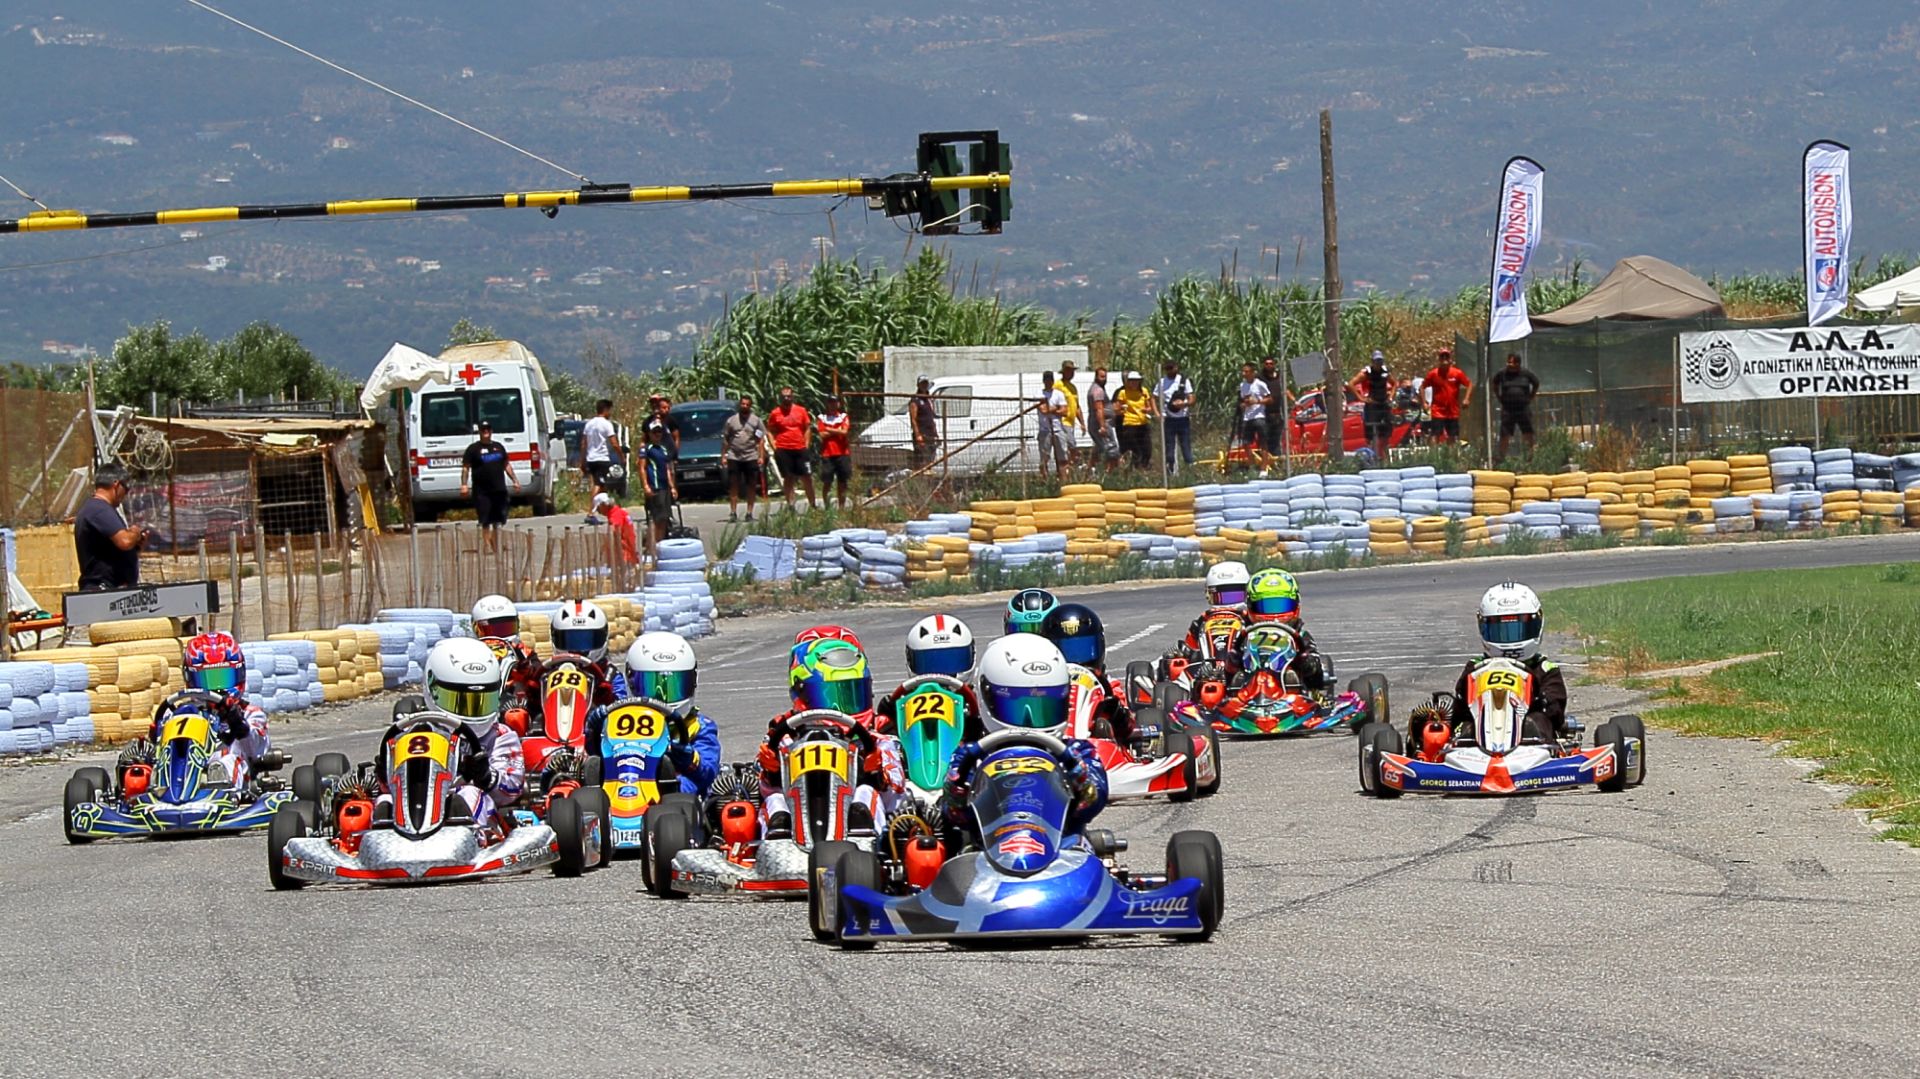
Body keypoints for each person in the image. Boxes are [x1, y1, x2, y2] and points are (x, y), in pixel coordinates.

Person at [937, 635, 1108, 852]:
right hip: (987, 853)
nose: (1029, 722)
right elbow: (954, 813)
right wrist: (958, 789)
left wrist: (1076, 774)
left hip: (1063, 851)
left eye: (1045, 706)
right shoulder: (972, 757)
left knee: (1084, 854)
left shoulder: (1076, 752)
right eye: (1017, 707)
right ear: (986, 697)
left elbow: (1093, 800)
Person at [758, 637, 904, 836]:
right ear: (801, 695)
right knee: (775, 801)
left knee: (866, 794)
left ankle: (864, 836)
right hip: (797, 824)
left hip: (853, 832)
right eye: (829, 697)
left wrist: (876, 776)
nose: (840, 709)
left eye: (852, 694)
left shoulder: (879, 742)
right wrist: (771, 773)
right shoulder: (784, 740)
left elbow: (897, 798)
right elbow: (762, 790)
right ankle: (776, 841)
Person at [384, 637, 525, 829]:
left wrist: (486, 776)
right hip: (417, 810)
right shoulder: (413, 733)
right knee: (384, 801)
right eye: (459, 701)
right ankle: (378, 839)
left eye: (482, 701)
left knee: (469, 795)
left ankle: (472, 836)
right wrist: (384, 774)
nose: (472, 711)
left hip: (478, 819)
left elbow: (512, 790)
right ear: (434, 689)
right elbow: (394, 788)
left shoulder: (500, 736)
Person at [585, 632, 723, 798]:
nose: (662, 697)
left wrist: (692, 760)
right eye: (651, 685)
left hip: (677, 799)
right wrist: (594, 731)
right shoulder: (620, 721)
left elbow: (708, 773)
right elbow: (597, 756)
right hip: (621, 789)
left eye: (672, 687)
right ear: (631, 681)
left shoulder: (699, 727)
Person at [1441, 581, 1568, 750]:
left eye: (1519, 629)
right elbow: (1459, 713)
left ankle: (1535, 753)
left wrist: (1537, 698)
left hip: (1530, 743)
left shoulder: (1545, 669)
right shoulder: (1475, 668)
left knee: (1536, 722)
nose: (1510, 639)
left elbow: (1555, 714)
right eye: (1500, 631)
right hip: (1477, 739)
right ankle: (1463, 755)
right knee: (1463, 728)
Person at [163, 631, 272, 790]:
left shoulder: (251, 713)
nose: (217, 688)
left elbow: (256, 751)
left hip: (236, 774)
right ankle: (160, 788)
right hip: (185, 770)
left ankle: (222, 785)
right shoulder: (179, 714)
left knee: (226, 759)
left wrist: (239, 724)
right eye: (207, 680)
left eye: (223, 678)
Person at [873, 614, 990, 740]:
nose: (941, 674)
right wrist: (892, 718)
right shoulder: (903, 705)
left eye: (951, 661)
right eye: (931, 662)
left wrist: (976, 723)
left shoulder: (983, 704)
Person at [1244, 568, 1330, 690]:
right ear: (1250, 605)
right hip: (1249, 689)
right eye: (1266, 606)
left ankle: (1291, 683)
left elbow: (1317, 676)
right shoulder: (1244, 636)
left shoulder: (1301, 635)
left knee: (1311, 671)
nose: (1274, 613)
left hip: (1292, 694)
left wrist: (1306, 662)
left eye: (1281, 605)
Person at [74, 465, 146, 591]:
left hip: (109, 590)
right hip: (103, 590)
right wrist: (135, 532)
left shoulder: (97, 509)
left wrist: (136, 545)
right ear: (116, 485)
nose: (126, 494)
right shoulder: (99, 509)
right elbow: (125, 541)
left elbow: (109, 550)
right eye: (126, 488)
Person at [460, 420, 518, 551]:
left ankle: (495, 541)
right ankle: (487, 544)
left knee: (499, 518)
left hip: (499, 489)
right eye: (483, 429)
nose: (486, 432)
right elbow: (465, 468)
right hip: (482, 491)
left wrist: (515, 480)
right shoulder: (473, 449)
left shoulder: (499, 447)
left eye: (488, 429)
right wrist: (464, 484)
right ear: (480, 432)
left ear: (491, 431)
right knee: (485, 519)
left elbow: (506, 465)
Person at [766, 386, 817, 512]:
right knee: (788, 478)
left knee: (807, 477)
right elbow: (770, 431)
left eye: (788, 396)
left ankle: (813, 505)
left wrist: (806, 445)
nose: (786, 398)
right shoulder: (775, 413)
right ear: (780, 398)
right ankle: (790, 505)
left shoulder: (801, 411)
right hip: (783, 449)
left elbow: (807, 428)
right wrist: (775, 447)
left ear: (792, 397)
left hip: (800, 448)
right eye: (784, 396)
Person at [721, 395, 769, 523]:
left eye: (747, 404)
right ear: (740, 405)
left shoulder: (756, 421)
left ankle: (749, 513)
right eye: (743, 404)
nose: (745, 406)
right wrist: (724, 456)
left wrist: (761, 456)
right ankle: (733, 512)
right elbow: (726, 439)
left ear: (750, 406)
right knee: (733, 485)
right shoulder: (731, 421)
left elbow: (760, 440)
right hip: (734, 456)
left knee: (751, 485)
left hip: (751, 456)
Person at [1491, 352, 1541, 460]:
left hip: (1523, 409)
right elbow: (1495, 384)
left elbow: (1536, 383)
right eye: (1508, 362)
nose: (1508, 364)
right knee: (1505, 434)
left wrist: (1530, 397)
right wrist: (1500, 398)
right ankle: (1501, 458)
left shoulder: (1526, 374)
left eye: (1511, 362)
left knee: (1528, 433)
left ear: (1518, 364)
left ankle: (1531, 458)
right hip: (1508, 409)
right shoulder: (1502, 374)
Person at [1348, 351, 1397, 461]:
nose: (1378, 363)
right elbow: (1351, 384)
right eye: (1376, 361)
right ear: (1372, 362)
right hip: (1372, 405)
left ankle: (1384, 458)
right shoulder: (1367, 373)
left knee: (1385, 434)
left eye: (1380, 361)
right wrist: (1361, 398)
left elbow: (1394, 383)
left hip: (1383, 405)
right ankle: (1371, 458)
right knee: (1370, 434)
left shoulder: (1385, 372)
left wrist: (1391, 397)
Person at [579, 398, 622, 522]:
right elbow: (614, 443)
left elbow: (583, 444)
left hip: (591, 458)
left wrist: (583, 460)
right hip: (601, 458)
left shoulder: (589, 424)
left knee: (603, 486)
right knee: (598, 484)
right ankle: (591, 513)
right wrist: (621, 456)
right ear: (606, 410)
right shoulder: (606, 424)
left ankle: (607, 511)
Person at [638, 422, 678, 548]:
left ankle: (659, 546)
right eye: (654, 432)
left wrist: (672, 487)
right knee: (656, 519)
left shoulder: (663, 449)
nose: (657, 435)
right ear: (649, 434)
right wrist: (645, 486)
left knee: (664, 518)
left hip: (664, 486)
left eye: (659, 432)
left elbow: (667, 469)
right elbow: (642, 468)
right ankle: (650, 548)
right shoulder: (646, 449)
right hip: (654, 486)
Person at [1422, 348, 1473, 444]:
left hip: (1452, 410)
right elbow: (1422, 387)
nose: (1444, 359)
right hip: (1438, 410)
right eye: (1442, 357)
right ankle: (1434, 452)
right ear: (1439, 359)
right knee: (1435, 434)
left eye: (1447, 356)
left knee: (1452, 435)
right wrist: (1424, 402)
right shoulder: (1433, 374)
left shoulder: (1457, 373)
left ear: (1450, 359)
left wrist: (1466, 399)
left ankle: (1451, 453)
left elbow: (1469, 384)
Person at [1155, 359, 1195, 470]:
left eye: (1171, 368)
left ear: (1176, 367)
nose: (1170, 371)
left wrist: (1184, 404)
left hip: (1183, 419)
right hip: (1169, 419)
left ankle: (1190, 470)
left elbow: (1192, 398)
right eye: (1167, 368)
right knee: (1169, 448)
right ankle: (1170, 471)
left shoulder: (1184, 381)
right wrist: (1157, 413)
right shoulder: (1162, 382)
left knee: (1186, 447)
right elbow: (1153, 397)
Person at [816, 395, 854, 510]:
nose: (833, 405)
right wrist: (837, 430)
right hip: (827, 453)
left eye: (835, 402)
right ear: (827, 404)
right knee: (827, 481)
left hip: (842, 453)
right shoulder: (822, 418)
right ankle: (827, 506)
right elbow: (822, 434)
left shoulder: (843, 417)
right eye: (830, 402)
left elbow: (844, 432)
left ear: (838, 404)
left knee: (842, 481)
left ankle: (841, 507)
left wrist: (828, 429)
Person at [1113, 370, 1156, 469]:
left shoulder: (1144, 391)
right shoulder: (1123, 393)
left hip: (1142, 423)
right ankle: (1134, 467)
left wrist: (1147, 410)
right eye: (1132, 381)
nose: (1134, 383)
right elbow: (1116, 409)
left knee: (1147, 449)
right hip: (1130, 423)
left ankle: (1143, 467)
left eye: (1136, 381)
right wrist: (1121, 409)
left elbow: (1149, 407)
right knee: (1135, 450)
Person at [592, 492, 641, 569]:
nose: (599, 512)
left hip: (625, 554)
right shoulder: (620, 512)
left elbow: (611, 535)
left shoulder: (615, 516)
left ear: (603, 505)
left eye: (598, 509)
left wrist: (600, 552)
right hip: (630, 552)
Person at [1085, 363, 1118, 473]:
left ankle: (1088, 471)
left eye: (1105, 377)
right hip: (1100, 423)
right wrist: (1102, 426)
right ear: (1096, 377)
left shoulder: (1096, 389)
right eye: (1101, 376)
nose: (1104, 379)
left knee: (1099, 449)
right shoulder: (1098, 391)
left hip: (1096, 423)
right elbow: (1099, 409)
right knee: (1111, 450)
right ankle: (1109, 474)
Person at [1237, 362, 1271, 452]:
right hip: (1247, 417)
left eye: (1246, 372)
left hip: (1259, 416)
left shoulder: (1260, 384)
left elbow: (1270, 399)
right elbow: (1243, 399)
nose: (1244, 374)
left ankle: (1264, 460)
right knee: (1245, 442)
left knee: (1263, 442)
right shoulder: (1242, 385)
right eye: (1243, 371)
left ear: (1252, 373)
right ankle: (1251, 459)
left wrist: (1257, 401)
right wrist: (1243, 404)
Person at [909, 376, 940, 472]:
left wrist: (935, 433)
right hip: (922, 433)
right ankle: (920, 476)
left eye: (926, 383)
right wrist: (918, 435)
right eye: (922, 384)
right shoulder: (915, 400)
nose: (924, 386)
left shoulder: (928, 399)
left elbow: (931, 417)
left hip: (930, 434)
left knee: (930, 458)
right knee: (922, 458)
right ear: (918, 385)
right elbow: (913, 419)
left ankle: (928, 474)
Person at [1259, 356, 1288, 454]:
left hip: (1278, 415)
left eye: (1271, 364)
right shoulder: (1260, 378)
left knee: (1276, 440)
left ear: (1274, 365)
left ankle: (1277, 459)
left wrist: (1294, 401)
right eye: (1266, 364)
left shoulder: (1279, 377)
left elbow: (1285, 390)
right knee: (1266, 441)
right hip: (1265, 415)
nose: (1269, 366)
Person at [1057, 363, 1083, 472]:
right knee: (1071, 446)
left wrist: (1082, 423)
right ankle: (1068, 468)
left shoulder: (1073, 387)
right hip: (1063, 421)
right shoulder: (1058, 385)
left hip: (1071, 423)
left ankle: (1070, 468)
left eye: (1072, 371)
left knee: (1070, 447)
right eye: (1068, 370)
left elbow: (1077, 406)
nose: (1071, 373)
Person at [646, 394, 682, 460]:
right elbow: (644, 440)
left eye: (656, 402)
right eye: (652, 403)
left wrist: (675, 455)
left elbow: (676, 438)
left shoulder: (670, 420)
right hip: (654, 455)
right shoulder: (648, 421)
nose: (654, 405)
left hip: (668, 454)